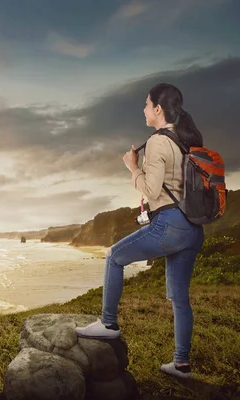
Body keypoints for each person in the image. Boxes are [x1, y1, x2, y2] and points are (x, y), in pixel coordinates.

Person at [74, 83, 205, 379]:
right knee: (180, 298)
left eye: (146, 104)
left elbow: (151, 188)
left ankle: (108, 324)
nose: (144, 109)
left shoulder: (159, 142)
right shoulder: (185, 141)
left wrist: (132, 167)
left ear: (158, 109)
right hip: (192, 229)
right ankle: (181, 364)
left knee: (114, 256)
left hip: (169, 225)